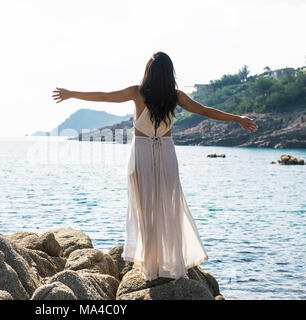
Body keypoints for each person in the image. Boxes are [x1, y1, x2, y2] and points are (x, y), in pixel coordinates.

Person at [52, 51, 258, 280]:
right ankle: (170, 263)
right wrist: (237, 118)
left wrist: (71, 93)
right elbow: (205, 111)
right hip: (166, 152)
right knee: (169, 207)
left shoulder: (137, 92)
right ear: (170, 73)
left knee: (145, 209)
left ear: (148, 71)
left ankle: (150, 266)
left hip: (141, 150)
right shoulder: (176, 96)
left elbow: (105, 97)